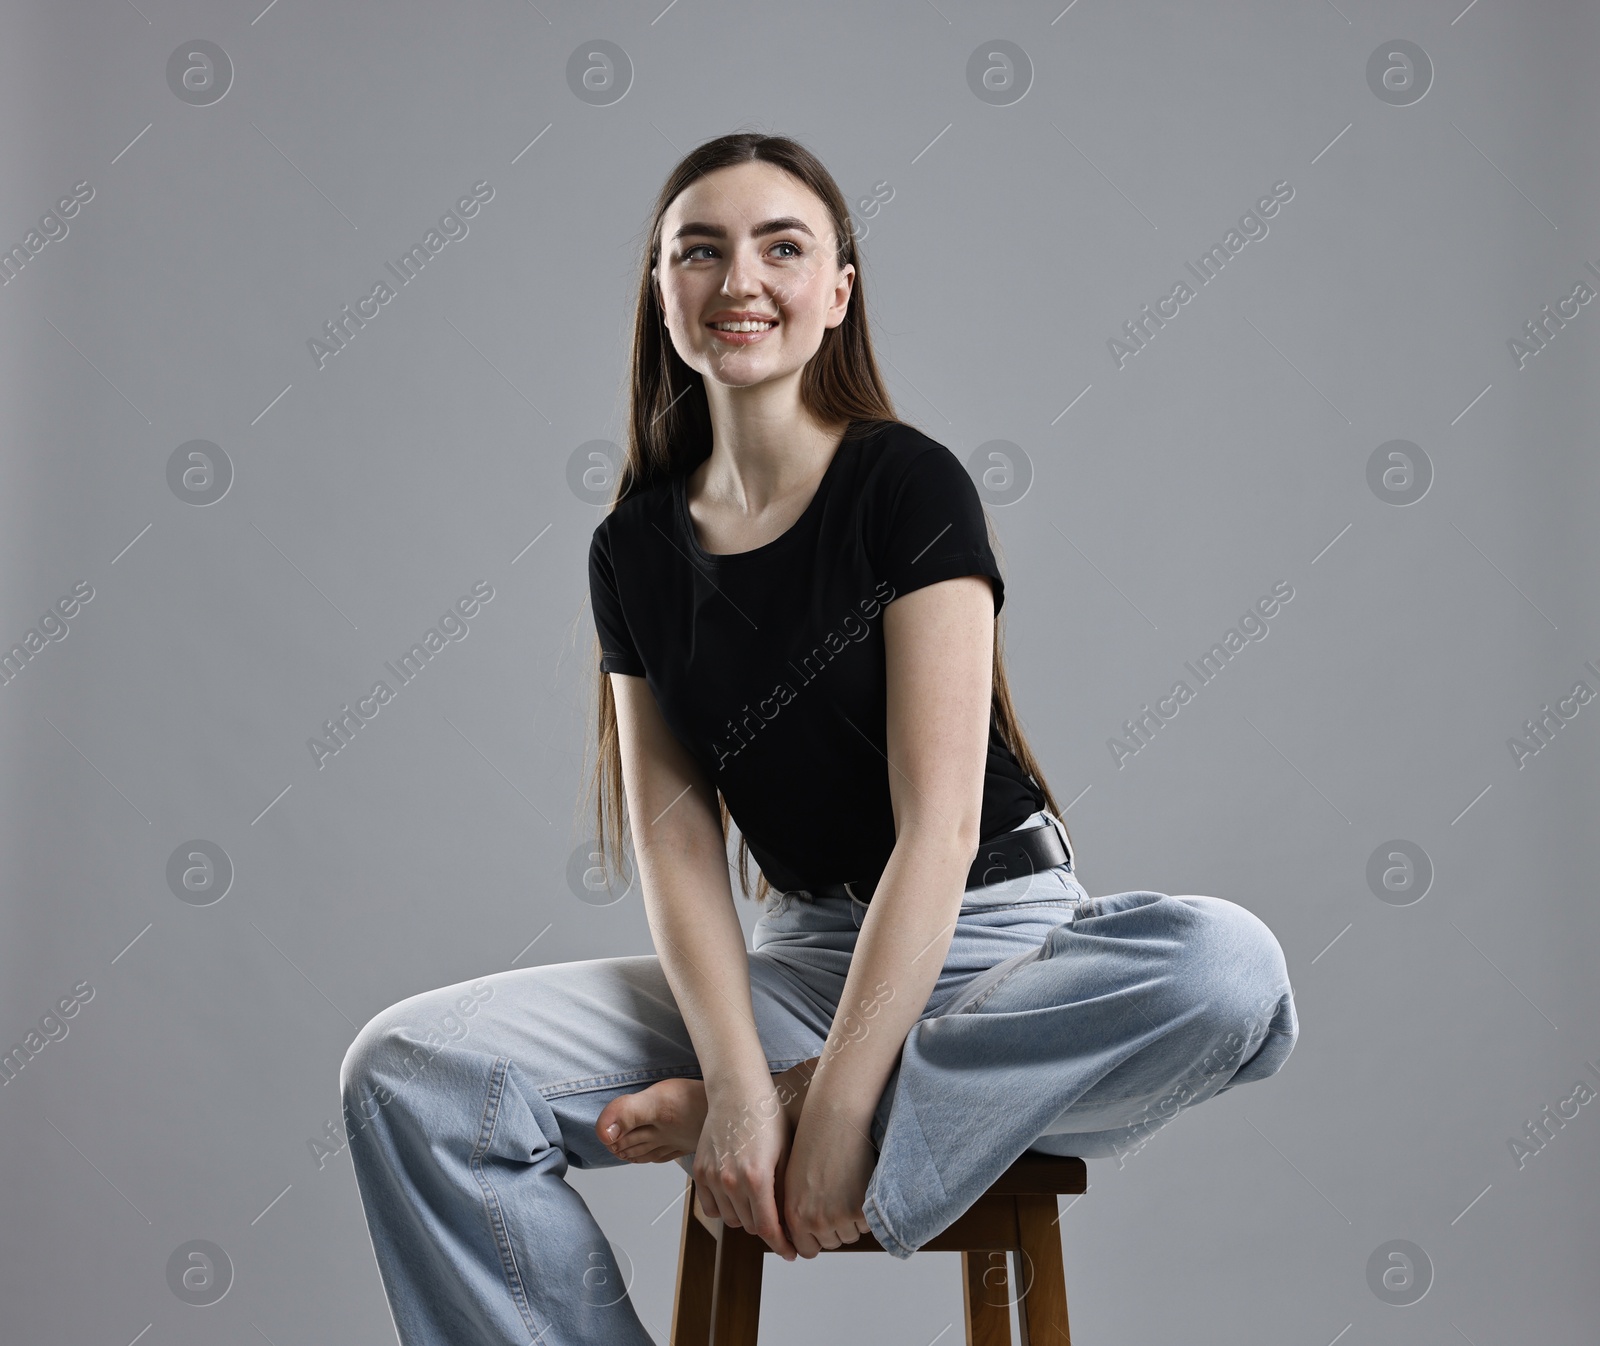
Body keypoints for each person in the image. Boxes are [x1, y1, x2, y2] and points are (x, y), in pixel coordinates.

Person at [339, 132, 1299, 1346]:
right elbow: (679, 852)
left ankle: (853, 1099)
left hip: (998, 945)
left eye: (781, 247)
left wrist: (831, 1106)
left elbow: (942, 827)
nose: (741, 279)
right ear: (662, 291)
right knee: (409, 1068)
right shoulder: (632, 550)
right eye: (702, 250)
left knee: (1227, 968)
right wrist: (737, 1085)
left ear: (836, 291)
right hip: (798, 965)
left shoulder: (909, 485)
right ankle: (843, 1100)